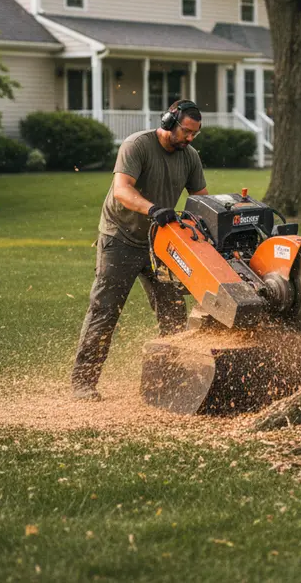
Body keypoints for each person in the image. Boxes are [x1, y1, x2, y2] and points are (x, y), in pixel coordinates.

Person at [71, 99, 208, 400]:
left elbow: (200, 198)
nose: (189, 139)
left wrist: (209, 222)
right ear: (169, 122)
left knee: (172, 311)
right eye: (186, 131)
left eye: (194, 134)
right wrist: (153, 208)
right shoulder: (137, 145)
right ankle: (83, 383)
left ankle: (170, 379)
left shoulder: (190, 156)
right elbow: (122, 191)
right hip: (120, 238)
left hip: (160, 243)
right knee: (105, 310)